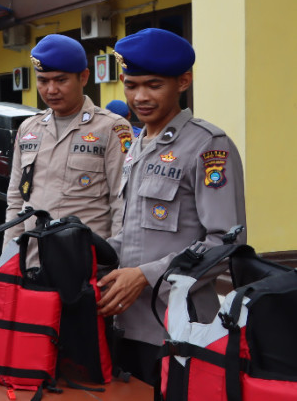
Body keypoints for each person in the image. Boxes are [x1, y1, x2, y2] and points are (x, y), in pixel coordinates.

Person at [97, 28, 246, 385]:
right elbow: (132, 234)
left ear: (183, 81)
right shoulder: (138, 145)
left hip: (178, 329)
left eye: (153, 85)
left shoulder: (208, 146)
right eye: (131, 86)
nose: (140, 97)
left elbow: (225, 242)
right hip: (125, 324)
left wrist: (146, 275)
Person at [5, 34, 133, 247]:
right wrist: (7, 259)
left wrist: (115, 261)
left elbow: (122, 203)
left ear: (83, 77)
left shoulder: (112, 128)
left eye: (61, 80)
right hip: (32, 262)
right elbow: (16, 201)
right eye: (43, 81)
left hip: (86, 263)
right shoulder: (29, 129)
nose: (51, 90)